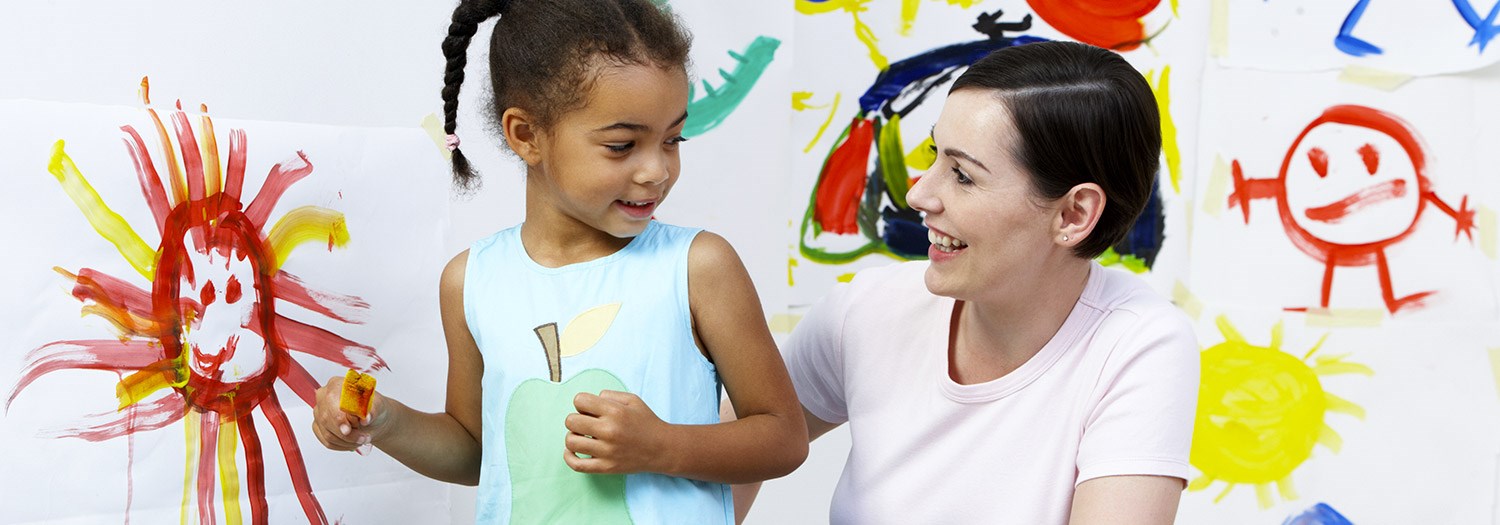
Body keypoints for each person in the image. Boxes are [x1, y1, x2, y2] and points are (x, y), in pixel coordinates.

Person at [310, 1, 808, 523]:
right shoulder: (472, 281)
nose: (656, 170)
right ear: (526, 135)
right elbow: (480, 450)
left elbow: (784, 437)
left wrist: (661, 445)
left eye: (672, 139)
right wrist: (386, 422)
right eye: (621, 146)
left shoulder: (698, 267)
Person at [736, 41, 1199, 524]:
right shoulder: (867, 310)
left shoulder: (1138, 346)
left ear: (1073, 214)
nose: (918, 194)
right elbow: (727, 455)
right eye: (935, 154)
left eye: (962, 175)